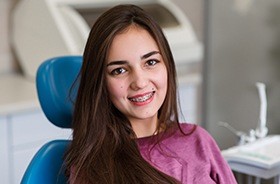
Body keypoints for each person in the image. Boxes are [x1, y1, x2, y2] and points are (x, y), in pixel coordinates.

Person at [64, 4, 237, 184]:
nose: (140, 82)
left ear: (167, 65)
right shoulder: (93, 167)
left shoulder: (198, 139)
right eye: (119, 70)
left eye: (151, 62)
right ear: (100, 82)